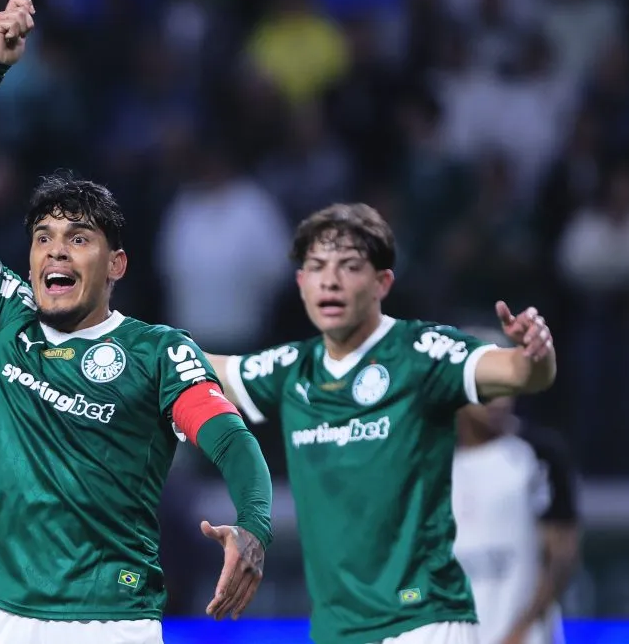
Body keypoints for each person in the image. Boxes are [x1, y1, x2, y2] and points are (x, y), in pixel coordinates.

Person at [0, 0, 272, 644]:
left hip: (110, 623)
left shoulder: (157, 352)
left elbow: (229, 439)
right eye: (43, 236)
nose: (55, 250)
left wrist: (254, 525)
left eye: (78, 238)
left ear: (117, 264)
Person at [206, 203, 557, 644]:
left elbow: (521, 373)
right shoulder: (292, 369)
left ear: (381, 283)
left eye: (349, 266)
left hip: (422, 621)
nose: (330, 280)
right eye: (316, 267)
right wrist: (120, 338)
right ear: (301, 283)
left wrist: (535, 354)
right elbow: (203, 367)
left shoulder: (421, 352)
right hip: (337, 630)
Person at [453, 331, 580, 644]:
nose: (500, 398)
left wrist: (519, 632)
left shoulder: (538, 454)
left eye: (506, 383)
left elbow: (561, 554)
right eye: (489, 384)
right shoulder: (431, 462)